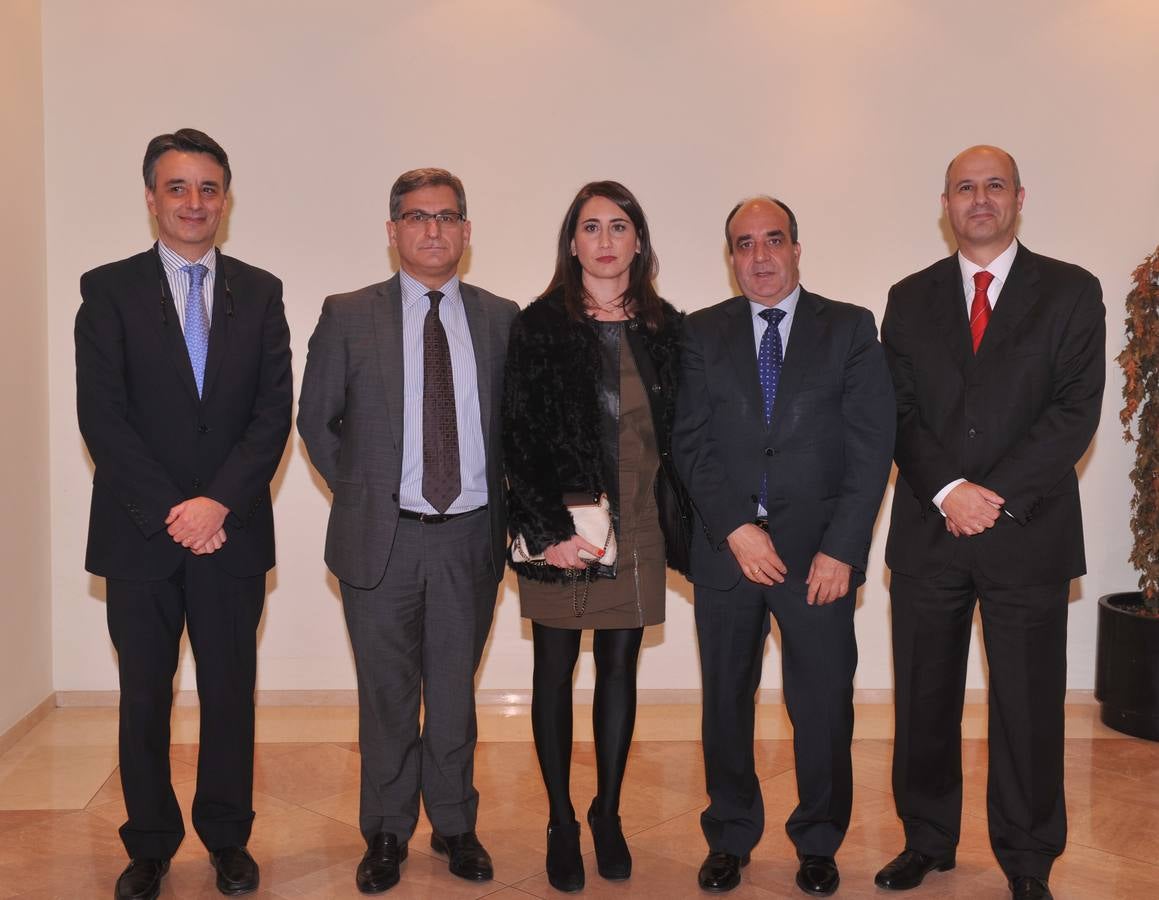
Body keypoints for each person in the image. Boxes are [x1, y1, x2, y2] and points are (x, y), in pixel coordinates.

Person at [875, 146, 1105, 900]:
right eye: (964, 188)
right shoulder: (907, 298)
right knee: (922, 701)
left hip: (1026, 536)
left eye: (993, 186)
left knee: (1029, 708)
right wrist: (947, 490)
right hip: (929, 533)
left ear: (1018, 198)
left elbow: (1073, 412)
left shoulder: (1072, 292)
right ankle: (926, 840)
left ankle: (1029, 858)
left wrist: (992, 496)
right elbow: (896, 413)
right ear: (944, 204)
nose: (979, 199)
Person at [75, 128, 292, 900]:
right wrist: (175, 510)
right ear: (150, 197)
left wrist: (216, 504)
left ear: (224, 201)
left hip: (231, 533)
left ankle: (228, 840)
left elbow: (273, 415)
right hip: (141, 535)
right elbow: (102, 419)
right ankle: (150, 844)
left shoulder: (261, 292)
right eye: (177, 187)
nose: (193, 202)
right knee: (145, 695)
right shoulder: (107, 290)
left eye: (207, 188)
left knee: (230, 692)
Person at [297, 168, 518, 894]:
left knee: (453, 691)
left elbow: (518, 430)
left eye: (448, 216)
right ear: (392, 232)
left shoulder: (500, 317)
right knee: (386, 694)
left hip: (469, 538)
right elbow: (316, 420)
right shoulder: (348, 313)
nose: (434, 230)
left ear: (466, 230)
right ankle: (387, 830)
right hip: (381, 540)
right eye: (417, 217)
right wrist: (366, 496)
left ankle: (455, 826)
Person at [672, 196, 895, 896]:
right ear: (729, 255)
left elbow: (870, 448)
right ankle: (730, 836)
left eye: (773, 240)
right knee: (726, 704)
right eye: (744, 243)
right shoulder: (699, 332)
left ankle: (819, 840)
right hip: (726, 552)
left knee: (823, 704)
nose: (759, 256)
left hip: (817, 559)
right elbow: (689, 441)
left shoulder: (850, 328)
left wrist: (842, 549)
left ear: (797, 248)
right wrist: (735, 527)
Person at [502, 181, 689, 893]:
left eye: (618, 226)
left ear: (638, 241)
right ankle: (559, 821)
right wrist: (546, 530)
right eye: (590, 227)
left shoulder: (667, 328)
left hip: (637, 526)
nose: (605, 240)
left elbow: (684, 435)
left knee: (619, 672)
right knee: (554, 673)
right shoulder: (539, 326)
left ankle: (605, 812)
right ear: (571, 243)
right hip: (565, 531)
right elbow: (516, 435)